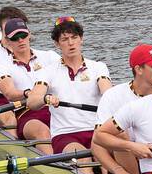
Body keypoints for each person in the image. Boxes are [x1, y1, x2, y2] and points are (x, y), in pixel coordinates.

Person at [24, 16, 112, 156]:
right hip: (65, 134)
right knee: (84, 158)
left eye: (74, 37)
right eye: (65, 39)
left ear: (81, 39)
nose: (71, 43)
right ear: (57, 44)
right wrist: (45, 98)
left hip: (97, 130)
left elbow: (109, 94)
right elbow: (32, 101)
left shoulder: (98, 67)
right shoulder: (47, 72)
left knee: (109, 160)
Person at [0, 6, 59, 147]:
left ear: (29, 35)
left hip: (55, 109)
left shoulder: (49, 56)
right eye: (15, 37)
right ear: (7, 41)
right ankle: (59, 167)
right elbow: (9, 93)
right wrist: (28, 93)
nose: (20, 40)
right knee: (42, 132)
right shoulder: (2, 67)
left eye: (23, 35)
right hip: (26, 113)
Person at [94, 44, 152, 174]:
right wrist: (119, 171)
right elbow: (96, 144)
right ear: (138, 69)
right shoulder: (113, 96)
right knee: (118, 133)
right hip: (127, 160)